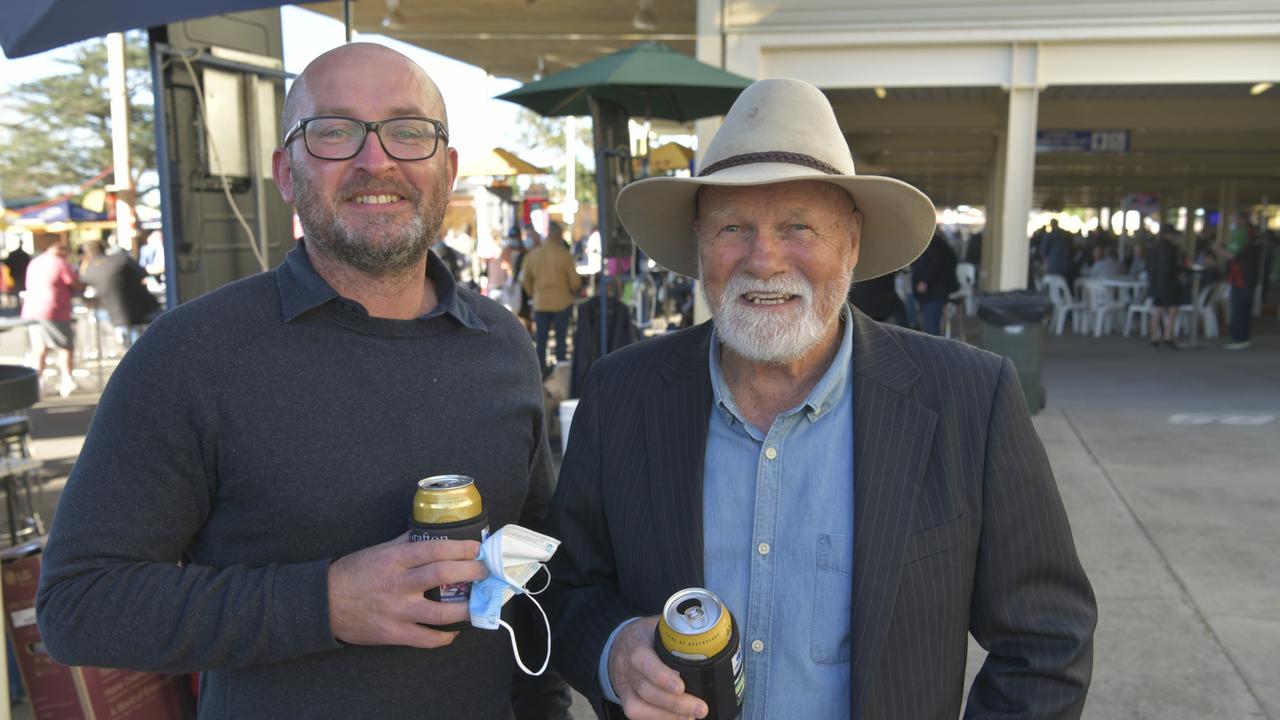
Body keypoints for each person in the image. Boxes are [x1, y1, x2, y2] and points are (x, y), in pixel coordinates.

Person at [36, 43, 563, 719]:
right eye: (335, 132)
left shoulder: (504, 344)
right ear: (287, 172)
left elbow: (537, 579)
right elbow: (79, 604)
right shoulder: (194, 352)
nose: (377, 160)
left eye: (408, 131)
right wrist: (324, 604)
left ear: (447, 168)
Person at [545, 78, 1096, 720]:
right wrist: (613, 650)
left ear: (853, 241)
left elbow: (1047, 641)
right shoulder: (621, 393)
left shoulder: (971, 400)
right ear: (699, 242)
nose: (764, 260)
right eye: (733, 228)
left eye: (799, 226)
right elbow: (565, 585)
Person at [22, 239, 82, 397]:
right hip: (54, 310)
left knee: (39, 349)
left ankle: (37, 383)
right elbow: (74, 283)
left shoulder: (35, 262)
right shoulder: (59, 262)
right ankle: (67, 380)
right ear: (63, 251)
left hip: (32, 309)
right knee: (65, 347)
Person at [521, 221, 582, 374]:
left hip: (541, 302)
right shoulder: (564, 255)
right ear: (559, 236)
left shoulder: (533, 255)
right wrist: (571, 289)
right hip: (562, 302)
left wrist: (533, 293)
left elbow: (525, 281)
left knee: (541, 341)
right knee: (561, 342)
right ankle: (559, 374)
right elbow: (575, 282)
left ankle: (540, 373)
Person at [78, 240, 161, 348]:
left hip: (118, 318)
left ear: (86, 254)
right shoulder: (121, 258)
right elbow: (143, 274)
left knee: (133, 353)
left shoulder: (89, 271)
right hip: (146, 309)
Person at [1217, 213, 1262, 350]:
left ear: (1242, 220)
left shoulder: (1241, 234)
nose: (1233, 221)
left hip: (1240, 278)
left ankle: (1238, 338)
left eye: (1234, 219)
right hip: (1250, 277)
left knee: (1238, 309)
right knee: (1245, 309)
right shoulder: (1254, 235)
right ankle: (1244, 338)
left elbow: (1232, 254)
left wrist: (1219, 249)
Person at [909, 228, 959, 335]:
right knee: (930, 325)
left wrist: (924, 281)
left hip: (934, 291)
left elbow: (936, 261)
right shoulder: (935, 241)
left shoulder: (931, 241)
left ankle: (932, 351)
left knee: (930, 328)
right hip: (934, 290)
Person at [1147, 230, 1184, 348]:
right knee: (1173, 309)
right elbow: (1171, 267)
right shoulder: (1171, 249)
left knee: (1157, 308)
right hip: (1169, 283)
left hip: (1155, 283)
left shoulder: (1153, 248)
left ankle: (1154, 335)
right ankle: (1168, 335)